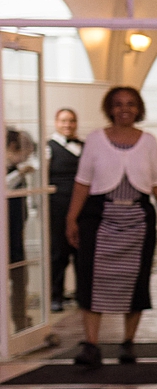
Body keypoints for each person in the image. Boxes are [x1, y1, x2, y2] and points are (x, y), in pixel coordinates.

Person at [63, 88, 157, 366]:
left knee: (135, 279)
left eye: (130, 104)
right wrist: (71, 218)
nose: (124, 109)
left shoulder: (148, 141)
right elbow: (82, 181)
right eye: (118, 104)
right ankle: (91, 344)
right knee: (91, 277)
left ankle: (128, 342)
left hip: (137, 217)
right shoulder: (95, 139)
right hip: (100, 218)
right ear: (110, 109)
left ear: (138, 109)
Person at [47, 108, 82, 312]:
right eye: (63, 121)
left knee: (81, 252)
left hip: (83, 207)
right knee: (58, 252)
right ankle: (55, 295)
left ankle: (82, 294)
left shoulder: (84, 146)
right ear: (56, 122)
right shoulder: (48, 148)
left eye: (72, 121)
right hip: (57, 206)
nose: (68, 125)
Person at [5, 129, 34, 331]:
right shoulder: (10, 171)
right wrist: (19, 172)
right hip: (5, 235)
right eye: (25, 152)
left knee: (20, 278)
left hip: (16, 235)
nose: (26, 157)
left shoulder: (15, 170)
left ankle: (20, 319)